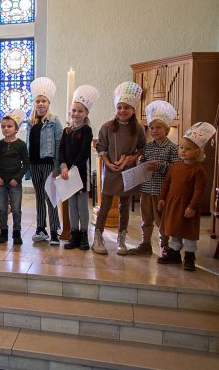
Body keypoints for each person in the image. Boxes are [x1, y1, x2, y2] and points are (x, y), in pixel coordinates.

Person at [92, 82, 146, 255]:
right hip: (110, 170)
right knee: (105, 205)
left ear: (133, 110)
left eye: (126, 107)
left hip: (127, 172)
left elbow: (142, 148)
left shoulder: (138, 129)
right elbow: (101, 148)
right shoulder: (107, 127)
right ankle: (98, 237)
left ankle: (121, 238)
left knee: (124, 205)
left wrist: (131, 158)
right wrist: (108, 163)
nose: (122, 110)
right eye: (119, 107)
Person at [157, 122, 214, 271]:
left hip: (188, 206)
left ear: (198, 152)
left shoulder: (198, 170)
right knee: (174, 228)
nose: (183, 151)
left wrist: (192, 206)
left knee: (188, 230)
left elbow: (199, 190)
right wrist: (162, 198)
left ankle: (189, 255)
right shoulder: (175, 166)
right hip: (173, 204)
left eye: (188, 149)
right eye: (181, 147)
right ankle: (174, 253)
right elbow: (167, 183)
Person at [128, 100, 179, 256]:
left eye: (158, 127)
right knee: (146, 219)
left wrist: (160, 166)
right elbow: (141, 162)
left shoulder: (172, 148)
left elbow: (176, 170)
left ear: (166, 128)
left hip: (161, 190)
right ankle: (146, 244)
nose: (154, 131)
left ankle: (164, 245)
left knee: (161, 220)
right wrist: (141, 164)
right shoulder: (148, 147)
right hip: (146, 189)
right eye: (152, 128)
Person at [59, 85, 99, 250]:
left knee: (82, 206)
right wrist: (63, 166)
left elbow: (84, 153)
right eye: (74, 110)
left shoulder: (87, 130)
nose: (76, 114)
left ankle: (84, 236)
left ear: (86, 113)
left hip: (81, 173)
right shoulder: (66, 131)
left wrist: (73, 168)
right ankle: (73, 234)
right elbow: (61, 151)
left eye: (80, 111)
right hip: (67, 173)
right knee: (71, 206)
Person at [26, 77, 63, 245]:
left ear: (48, 103)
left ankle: (54, 230)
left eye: (44, 101)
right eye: (38, 101)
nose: (41, 104)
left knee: (51, 197)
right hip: (34, 164)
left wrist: (57, 166)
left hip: (49, 164)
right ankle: (41, 229)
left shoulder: (54, 121)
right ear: (34, 103)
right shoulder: (31, 122)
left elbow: (59, 144)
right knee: (40, 197)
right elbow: (28, 143)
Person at [0, 109, 29, 245]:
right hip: (1, 182)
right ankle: (3, 232)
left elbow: (26, 164)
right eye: (3, 126)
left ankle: (17, 233)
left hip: (15, 183)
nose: (6, 129)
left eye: (9, 126)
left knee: (16, 209)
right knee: (2, 209)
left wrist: (17, 178)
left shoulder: (21, 145)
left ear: (16, 129)